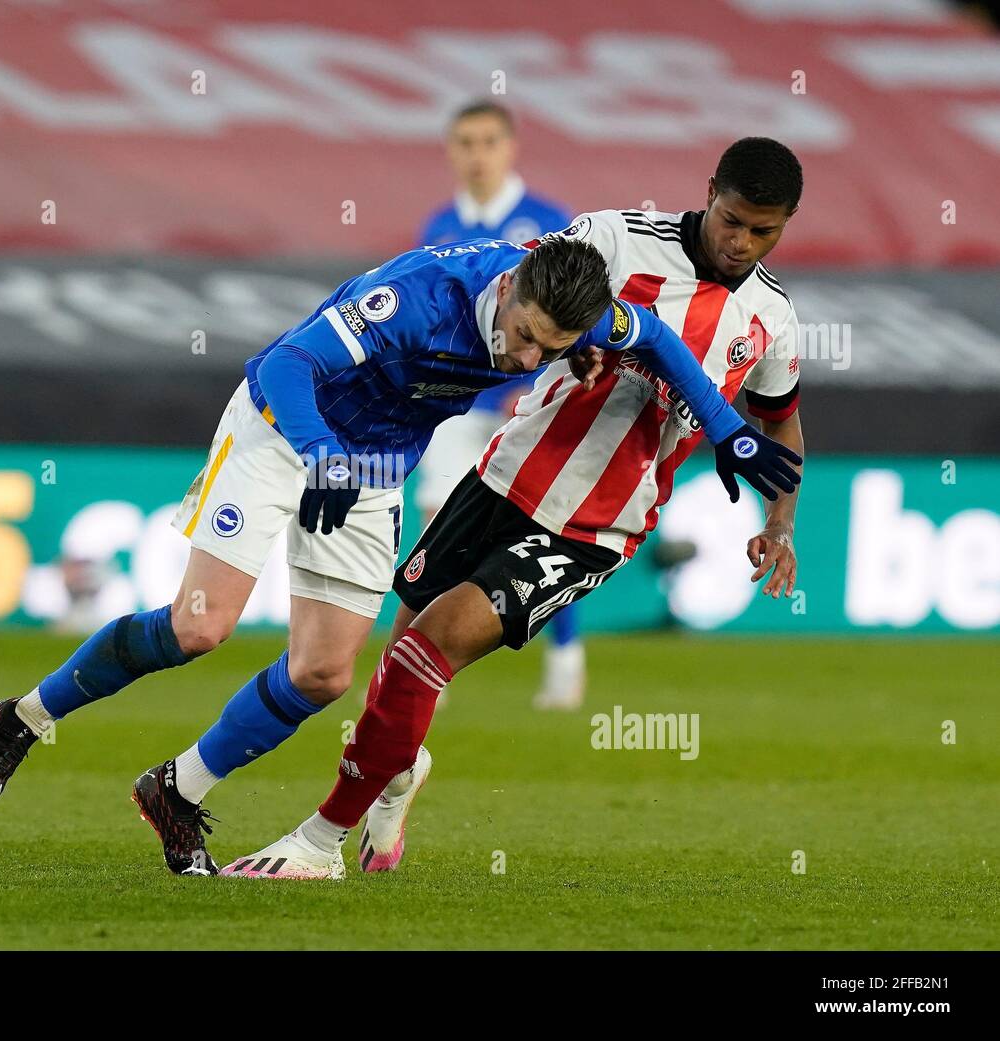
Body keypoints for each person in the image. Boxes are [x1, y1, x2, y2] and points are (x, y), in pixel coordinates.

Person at [0, 203, 795, 878]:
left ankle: (175, 791)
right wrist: (321, 454)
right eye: (525, 333)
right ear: (508, 287)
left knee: (323, 673)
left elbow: (651, 339)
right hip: (286, 432)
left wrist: (729, 429)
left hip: (373, 468)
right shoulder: (421, 296)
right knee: (198, 628)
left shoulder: (578, 316)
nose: (526, 354)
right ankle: (23, 719)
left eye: (551, 348)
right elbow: (288, 364)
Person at [221, 137, 807, 880]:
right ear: (710, 192)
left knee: (424, 651)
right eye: (734, 220)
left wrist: (779, 519)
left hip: (598, 525)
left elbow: (780, 421)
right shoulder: (612, 237)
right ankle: (397, 773)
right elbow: (523, 287)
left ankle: (316, 842)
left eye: (766, 230)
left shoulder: (774, 319)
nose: (743, 241)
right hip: (500, 475)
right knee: (396, 668)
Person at [416, 100, 586, 710]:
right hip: (457, 407)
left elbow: (575, 315)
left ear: (510, 148)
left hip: (524, 400)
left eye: (489, 141)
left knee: (533, 534)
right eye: (465, 142)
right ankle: (423, 668)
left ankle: (565, 659)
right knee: (441, 531)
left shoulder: (548, 220)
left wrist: (538, 374)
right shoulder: (438, 226)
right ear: (450, 150)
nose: (477, 154)